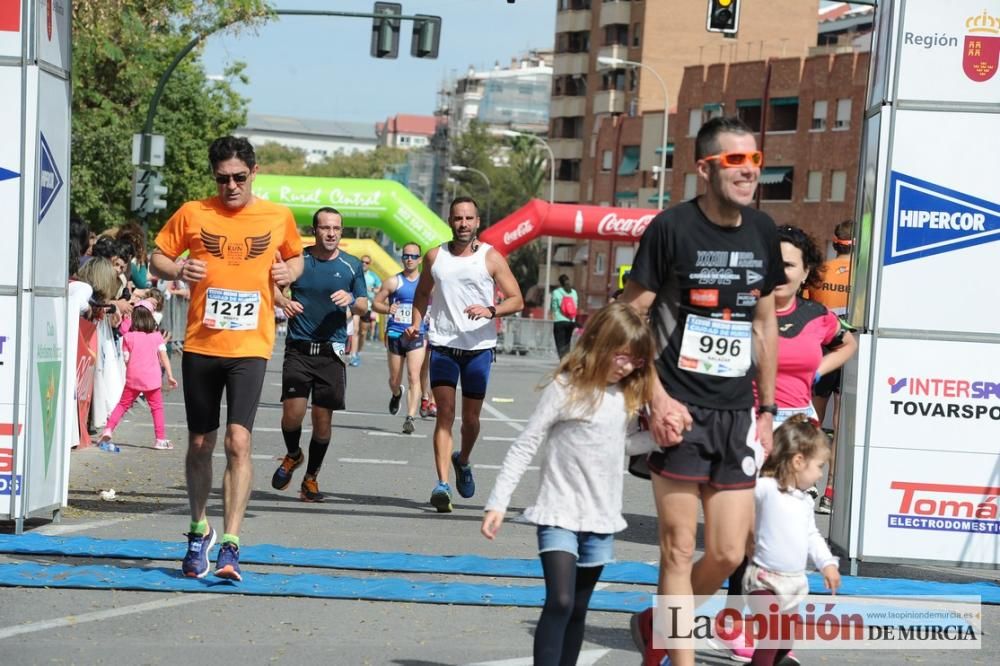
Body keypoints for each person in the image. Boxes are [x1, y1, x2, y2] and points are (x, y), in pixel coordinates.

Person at [622, 116, 784, 666]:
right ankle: (678, 659)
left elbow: (764, 324)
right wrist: (655, 396)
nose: (748, 172)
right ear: (705, 169)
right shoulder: (671, 229)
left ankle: (660, 626)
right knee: (678, 547)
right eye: (735, 162)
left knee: (728, 552)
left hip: (738, 412)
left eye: (755, 161)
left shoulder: (763, 230)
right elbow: (629, 315)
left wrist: (768, 409)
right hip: (677, 409)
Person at [150, 135, 303, 582]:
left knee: (239, 441)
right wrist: (178, 269)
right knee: (200, 443)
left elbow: (296, 260)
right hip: (201, 344)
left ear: (254, 172)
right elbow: (158, 256)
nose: (231, 186)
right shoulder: (194, 212)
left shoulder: (277, 216)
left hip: (250, 347)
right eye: (222, 179)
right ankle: (199, 530)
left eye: (239, 177)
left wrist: (287, 271)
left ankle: (232, 544)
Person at [481, 303, 656, 666]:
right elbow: (526, 442)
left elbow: (622, 444)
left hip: (601, 518)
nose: (626, 367)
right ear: (600, 344)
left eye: (634, 362)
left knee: (577, 608)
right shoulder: (565, 387)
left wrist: (658, 439)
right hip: (558, 511)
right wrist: (498, 502)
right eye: (621, 357)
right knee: (559, 600)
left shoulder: (624, 396)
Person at [717, 225, 857, 662]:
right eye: (771, 263)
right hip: (748, 426)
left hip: (799, 429)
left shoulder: (818, 315)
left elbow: (848, 340)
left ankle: (769, 634)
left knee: (788, 531)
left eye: (789, 265)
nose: (779, 272)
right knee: (743, 534)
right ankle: (733, 619)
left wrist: (819, 370)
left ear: (806, 271)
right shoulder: (741, 310)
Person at [408, 196, 524, 513]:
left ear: (477, 222)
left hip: (478, 349)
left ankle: (464, 459)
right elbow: (421, 293)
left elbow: (517, 300)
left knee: (470, 420)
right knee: (444, 413)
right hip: (443, 344)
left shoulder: (491, 258)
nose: (463, 224)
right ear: (450, 220)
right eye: (458, 218)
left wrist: (491, 309)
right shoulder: (435, 256)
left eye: (469, 219)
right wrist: (415, 324)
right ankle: (442, 484)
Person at [271, 207, 367, 502]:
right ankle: (293, 454)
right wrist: (283, 301)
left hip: (331, 353)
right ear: (315, 230)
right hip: (299, 349)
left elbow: (364, 304)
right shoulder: (300, 260)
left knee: (322, 421)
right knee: (293, 414)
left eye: (336, 228)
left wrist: (352, 300)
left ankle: (310, 478)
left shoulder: (351, 265)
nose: (331, 233)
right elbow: (272, 288)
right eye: (325, 228)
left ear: (341, 231)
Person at [743, 415, 841, 666]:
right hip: (763, 580)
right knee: (772, 637)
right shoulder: (765, 488)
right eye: (819, 466)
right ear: (798, 461)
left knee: (784, 642)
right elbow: (739, 499)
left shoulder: (805, 501)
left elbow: (812, 535)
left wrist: (827, 563)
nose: (821, 474)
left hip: (793, 584)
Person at [808, 219, 854, 515]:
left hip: (821, 349)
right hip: (849, 350)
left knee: (812, 417)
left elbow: (808, 309)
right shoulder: (863, 275)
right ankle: (829, 493)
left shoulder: (819, 271)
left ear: (835, 242)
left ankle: (808, 480)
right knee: (840, 424)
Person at [98, 302, 177, 450]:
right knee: (157, 408)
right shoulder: (156, 337)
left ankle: (108, 429)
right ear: (150, 318)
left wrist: (132, 370)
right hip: (152, 379)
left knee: (122, 405)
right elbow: (164, 356)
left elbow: (126, 359)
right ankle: (160, 439)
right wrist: (170, 376)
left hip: (133, 378)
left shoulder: (128, 337)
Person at [373, 243, 426, 434]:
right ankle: (396, 393)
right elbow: (375, 304)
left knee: (414, 376)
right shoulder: (393, 282)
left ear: (420, 259)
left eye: (413, 256)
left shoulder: (427, 283)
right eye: (406, 256)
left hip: (417, 335)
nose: (409, 259)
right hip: (396, 334)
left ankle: (410, 417)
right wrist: (388, 309)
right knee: (395, 379)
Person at [349, 254, 381, 367]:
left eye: (366, 262)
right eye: (362, 261)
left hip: (368, 307)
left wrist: (371, 289)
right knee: (355, 329)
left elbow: (380, 289)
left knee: (363, 332)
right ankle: (353, 354)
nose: (364, 264)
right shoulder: (355, 273)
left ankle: (357, 352)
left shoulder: (373, 276)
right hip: (356, 305)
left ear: (369, 264)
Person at [550, 274, 578, 359]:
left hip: (559, 321)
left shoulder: (556, 292)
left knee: (560, 342)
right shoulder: (573, 292)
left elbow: (554, 307)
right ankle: (567, 360)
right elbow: (575, 306)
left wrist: (553, 313)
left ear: (560, 283)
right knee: (567, 342)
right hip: (571, 321)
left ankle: (562, 360)